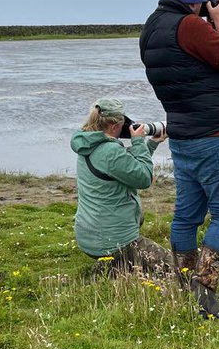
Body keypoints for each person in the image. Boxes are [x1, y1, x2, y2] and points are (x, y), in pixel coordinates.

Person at [139, 0, 219, 319]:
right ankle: (206, 291)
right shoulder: (189, 26)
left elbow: (186, 69)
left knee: (187, 214)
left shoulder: (152, 28)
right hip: (216, 136)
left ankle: (185, 282)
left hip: (183, 136)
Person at [71, 97, 171, 275]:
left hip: (88, 235)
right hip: (112, 241)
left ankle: (117, 265)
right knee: (176, 269)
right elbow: (143, 178)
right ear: (113, 125)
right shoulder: (110, 151)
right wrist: (138, 141)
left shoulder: (88, 143)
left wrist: (152, 143)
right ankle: (116, 262)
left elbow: (125, 167)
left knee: (137, 217)